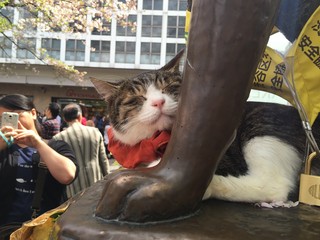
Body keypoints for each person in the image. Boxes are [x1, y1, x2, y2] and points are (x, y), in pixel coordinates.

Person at [0, 94, 78, 228]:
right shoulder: (3, 149)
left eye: (16, 114)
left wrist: (38, 144)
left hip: (46, 228)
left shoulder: (56, 146)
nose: (11, 121)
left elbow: (67, 175)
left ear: (33, 113)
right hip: (6, 228)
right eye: (3, 118)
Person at [52, 103, 110, 198]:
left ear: (65, 119)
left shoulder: (58, 138)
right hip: (96, 184)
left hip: (73, 189)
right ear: (80, 116)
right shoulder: (95, 132)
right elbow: (103, 160)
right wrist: (108, 182)